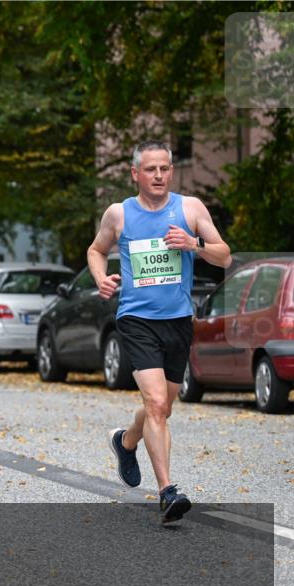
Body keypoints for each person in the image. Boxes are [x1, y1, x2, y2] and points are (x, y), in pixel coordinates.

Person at [87, 140, 232, 524]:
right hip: (136, 320)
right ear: (135, 173)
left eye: (165, 168)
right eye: (150, 169)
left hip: (178, 321)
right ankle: (168, 491)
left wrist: (194, 243)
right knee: (154, 403)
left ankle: (126, 441)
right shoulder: (119, 214)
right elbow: (95, 250)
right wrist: (102, 279)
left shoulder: (190, 209)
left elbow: (225, 254)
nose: (158, 176)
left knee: (163, 406)